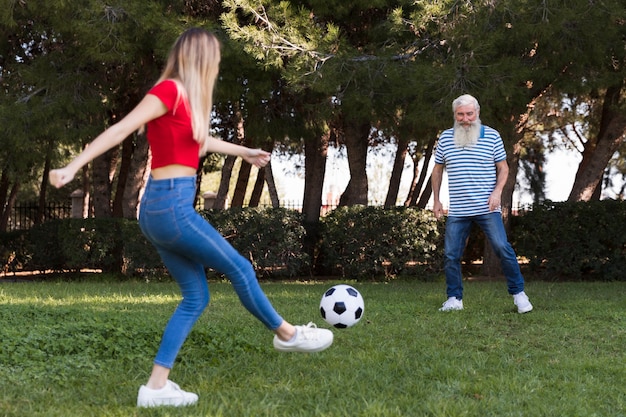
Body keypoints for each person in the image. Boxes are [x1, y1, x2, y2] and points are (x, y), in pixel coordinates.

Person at [49, 28, 333, 408]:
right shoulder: (168, 90)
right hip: (171, 208)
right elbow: (121, 128)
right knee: (241, 270)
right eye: (214, 57)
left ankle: (155, 388)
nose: (216, 64)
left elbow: (198, 141)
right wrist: (73, 166)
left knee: (196, 297)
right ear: (201, 58)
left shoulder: (188, 100)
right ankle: (287, 333)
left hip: (159, 210)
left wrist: (244, 151)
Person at [431, 94, 533, 314]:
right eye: (460, 114)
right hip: (458, 210)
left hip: (487, 208)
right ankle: (454, 299)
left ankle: (519, 295)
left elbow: (503, 168)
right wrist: (436, 199)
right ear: (455, 115)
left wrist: (497, 192)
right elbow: (437, 169)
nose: (465, 118)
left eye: (469, 113)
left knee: (501, 247)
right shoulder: (446, 138)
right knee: (451, 255)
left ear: (477, 113)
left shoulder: (492, 136)